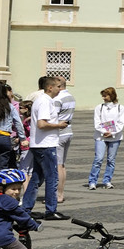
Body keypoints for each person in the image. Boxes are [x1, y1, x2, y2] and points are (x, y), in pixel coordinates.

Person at [25, 76, 66, 219]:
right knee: (52, 177)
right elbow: (41, 124)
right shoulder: (45, 101)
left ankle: (26, 208)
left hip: (40, 144)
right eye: (58, 86)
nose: (60, 89)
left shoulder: (43, 100)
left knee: (36, 177)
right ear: (50, 87)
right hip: (45, 145)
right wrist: (59, 125)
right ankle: (51, 210)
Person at [88, 87, 124, 189]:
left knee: (111, 160)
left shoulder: (120, 108)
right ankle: (92, 181)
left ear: (112, 96)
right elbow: (97, 122)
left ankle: (107, 180)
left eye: (105, 96)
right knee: (98, 159)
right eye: (103, 96)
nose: (103, 98)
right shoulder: (99, 107)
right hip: (101, 136)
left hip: (115, 137)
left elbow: (120, 123)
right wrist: (104, 131)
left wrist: (112, 132)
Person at [54, 75, 76, 205]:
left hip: (59, 132)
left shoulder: (58, 98)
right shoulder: (70, 97)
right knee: (62, 165)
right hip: (68, 130)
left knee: (57, 165)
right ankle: (61, 193)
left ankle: (58, 194)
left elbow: (53, 116)